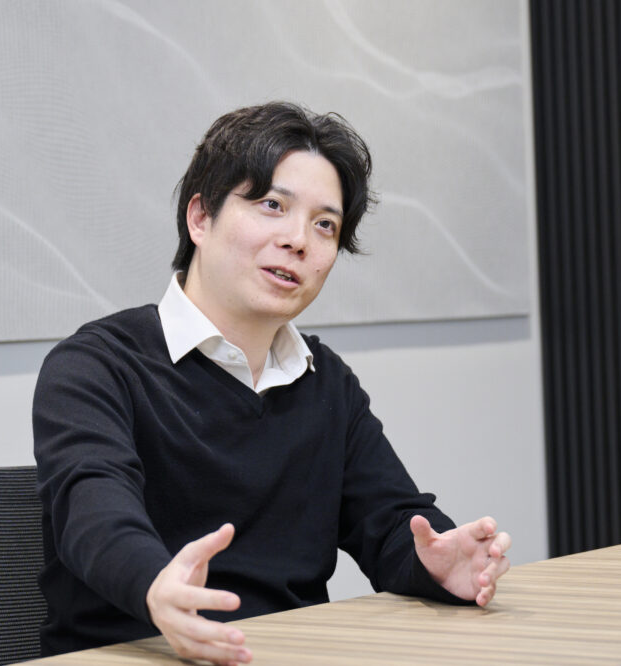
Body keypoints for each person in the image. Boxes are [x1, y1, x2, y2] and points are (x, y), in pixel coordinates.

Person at [33, 101, 512, 665]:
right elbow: (93, 511)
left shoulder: (325, 381)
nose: (298, 240)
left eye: (325, 224)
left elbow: (389, 523)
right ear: (200, 218)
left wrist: (437, 562)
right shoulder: (97, 364)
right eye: (271, 206)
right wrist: (155, 584)